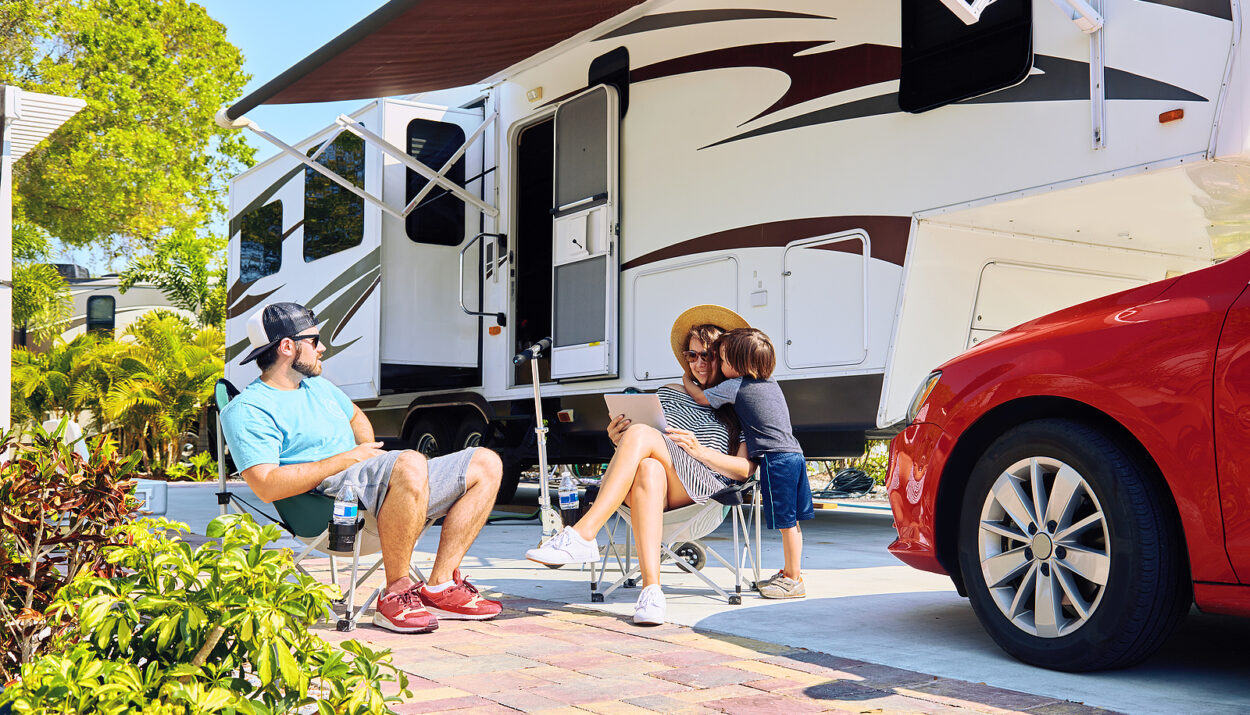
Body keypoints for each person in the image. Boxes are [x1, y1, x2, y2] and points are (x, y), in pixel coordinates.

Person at [220, 302, 504, 634]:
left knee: (486, 462)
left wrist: (366, 454)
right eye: (314, 341)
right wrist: (349, 459)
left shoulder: (317, 386)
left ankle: (440, 585)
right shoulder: (249, 409)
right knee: (410, 461)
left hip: (369, 485)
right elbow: (266, 485)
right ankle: (395, 594)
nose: (322, 348)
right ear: (287, 347)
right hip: (327, 505)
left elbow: (356, 416)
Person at [525, 305, 756, 625]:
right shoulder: (670, 394)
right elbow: (650, 444)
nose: (699, 363)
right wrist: (617, 439)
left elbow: (745, 469)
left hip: (704, 495)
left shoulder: (742, 403)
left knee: (642, 436)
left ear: (724, 356)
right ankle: (652, 591)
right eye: (692, 356)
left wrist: (699, 451)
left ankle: (583, 533)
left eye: (708, 356)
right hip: (658, 486)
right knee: (648, 466)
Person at [685, 327, 812, 599]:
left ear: (739, 365)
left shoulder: (735, 385)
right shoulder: (771, 383)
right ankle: (792, 571)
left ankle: (793, 579)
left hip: (774, 458)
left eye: (723, 359)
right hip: (795, 455)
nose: (720, 363)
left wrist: (687, 378)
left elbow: (699, 398)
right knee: (794, 521)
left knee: (786, 522)